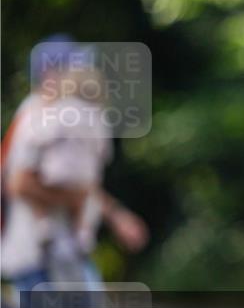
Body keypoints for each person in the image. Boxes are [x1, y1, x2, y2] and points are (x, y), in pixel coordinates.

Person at [1, 35, 148, 294]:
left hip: (64, 251)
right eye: (75, 69)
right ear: (50, 75)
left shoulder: (69, 115)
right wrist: (75, 199)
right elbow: (19, 183)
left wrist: (116, 215)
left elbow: (79, 181)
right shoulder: (36, 116)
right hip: (38, 259)